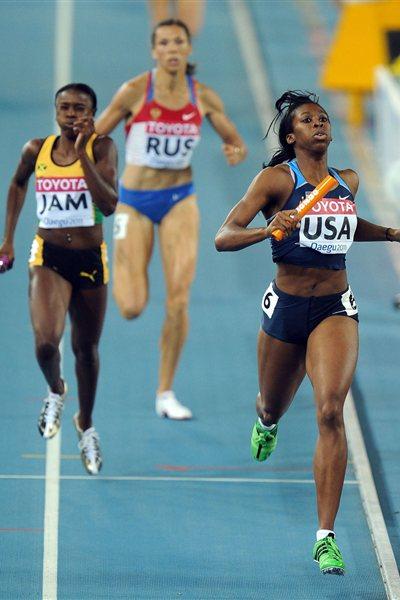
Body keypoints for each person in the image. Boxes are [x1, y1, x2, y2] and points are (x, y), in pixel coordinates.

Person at [215, 90, 400, 574]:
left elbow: (346, 224)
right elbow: (224, 236)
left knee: (330, 410)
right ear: (291, 136)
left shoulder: (347, 181)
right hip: (287, 309)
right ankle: (267, 420)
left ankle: (325, 536)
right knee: (272, 403)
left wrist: (389, 233)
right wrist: (267, 229)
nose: (319, 124)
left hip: (335, 309)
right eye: (307, 120)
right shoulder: (276, 180)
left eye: (322, 118)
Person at [95, 18, 247, 419]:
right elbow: (96, 137)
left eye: (178, 41)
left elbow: (233, 138)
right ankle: (121, 263)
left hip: (180, 198)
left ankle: (165, 392)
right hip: (134, 201)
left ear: (188, 49)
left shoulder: (204, 97)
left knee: (179, 298)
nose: (172, 48)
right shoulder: (134, 91)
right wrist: (97, 178)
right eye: (164, 42)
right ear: (154, 50)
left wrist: (234, 150)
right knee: (131, 306)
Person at [0, 83, 118, 475]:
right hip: (47, 256)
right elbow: (18, 183)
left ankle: (85, 422)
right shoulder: (37, 150)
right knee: (46, 343)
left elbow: (109, 204)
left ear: (92, 113)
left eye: (78, 108)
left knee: (87, 350)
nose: (70, 114)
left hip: (89, 258)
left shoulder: (102, 148)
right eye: (64, 108)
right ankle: (55, 390)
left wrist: (84, 152)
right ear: (55, 112)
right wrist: (8, 240)